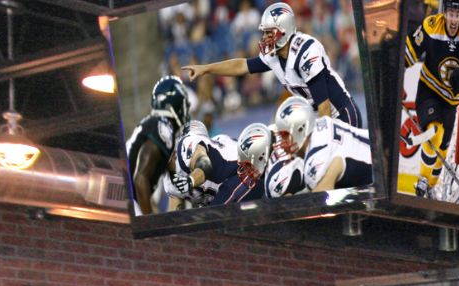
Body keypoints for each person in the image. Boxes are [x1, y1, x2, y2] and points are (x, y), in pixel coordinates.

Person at [180, 2, 360, 125]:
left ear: (284, 30)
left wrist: (324, 143)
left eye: (269, 33)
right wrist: (206, 69)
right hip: (318, 117)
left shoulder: (305, 52)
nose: (264, 38)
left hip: (341, 115)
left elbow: (324, 106)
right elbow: (241, 65)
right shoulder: (274, 54)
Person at [405, 0, 459, 199]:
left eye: (458, 14)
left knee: (443, 148)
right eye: (451, 13)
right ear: (444, 12)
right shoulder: (431, 26)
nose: (454, 18)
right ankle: (422, 179)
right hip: (429, 91)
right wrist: (392, 73)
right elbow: (408, 53)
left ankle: (431, 185)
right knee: (434, 132)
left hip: (451, 101)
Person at [267, 96, 373, 196]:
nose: (282, 141)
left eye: (285, 135)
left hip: (380, 173)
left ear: (300, 129)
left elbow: (323, 206)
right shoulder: (323, 122)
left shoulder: (316, 157)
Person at [125, 75, 189, 214]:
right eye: (183, 104)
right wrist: (150, 223)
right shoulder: (163, 128)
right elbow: (140, 178)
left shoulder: (159, 126)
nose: (184, 110)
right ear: (174, 105)